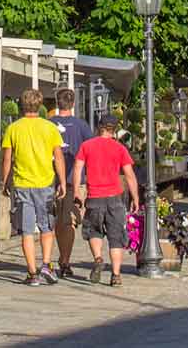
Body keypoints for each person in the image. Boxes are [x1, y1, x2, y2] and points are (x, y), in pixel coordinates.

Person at [0, 88, 67, 286]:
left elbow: (7, 159)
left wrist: (5, 181)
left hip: (22, 184)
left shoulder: (13, 128)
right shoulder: (50, 128)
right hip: (45, 183)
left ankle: (32, 273)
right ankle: (46, 264)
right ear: (40, 106)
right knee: (47, 226)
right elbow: (59, 157)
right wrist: (62, 182)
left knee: (27, 231)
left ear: (22, 105)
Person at [72, 112, 142, 288]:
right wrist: (135, 197)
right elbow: (130, 175)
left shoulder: (87, 146)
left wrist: (76, 192)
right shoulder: (120, 149)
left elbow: (78, 169)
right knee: (116, 237)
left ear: (99, 127)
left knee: (94, 231)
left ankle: (98, 258)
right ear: (114, 130)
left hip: (94, 197)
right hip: (114, 198)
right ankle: (116, 275)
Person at [50, 88, 96, 279]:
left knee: (60, 223)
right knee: (68, 222)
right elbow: (92, 152)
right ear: (73, 103)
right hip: (74, 181)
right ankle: (65, 261)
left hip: (51, 180)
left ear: (57, 102)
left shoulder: (49, 124)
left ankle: (63, 258)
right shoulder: (82, 126)